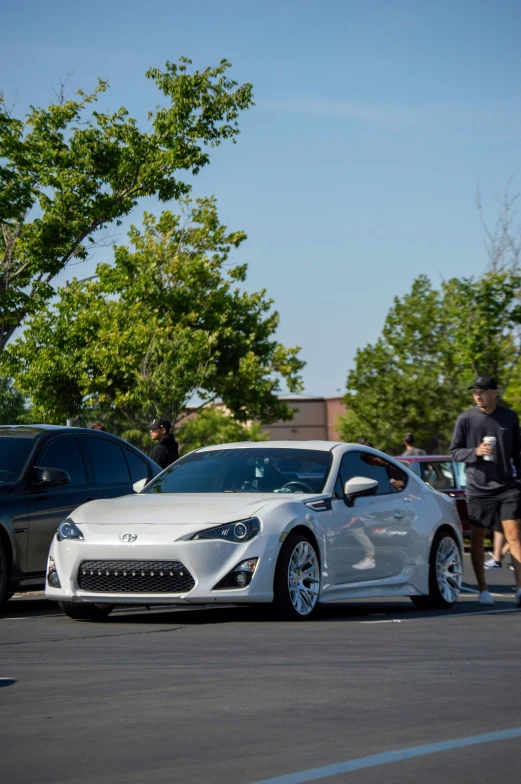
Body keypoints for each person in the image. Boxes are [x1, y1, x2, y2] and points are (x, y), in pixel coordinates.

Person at [450, 374, 521, 607]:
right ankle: (483, 590)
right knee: (479, 538)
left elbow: (517, 453)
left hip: (508, 487)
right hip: (478, 489)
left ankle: (520, 590)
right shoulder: (466, 419)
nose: (478, 396)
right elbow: (455, 451)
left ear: (494, 392)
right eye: (475, 392)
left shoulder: (510, 418)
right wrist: (476, 452)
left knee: (514, 536)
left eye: (482, 391)